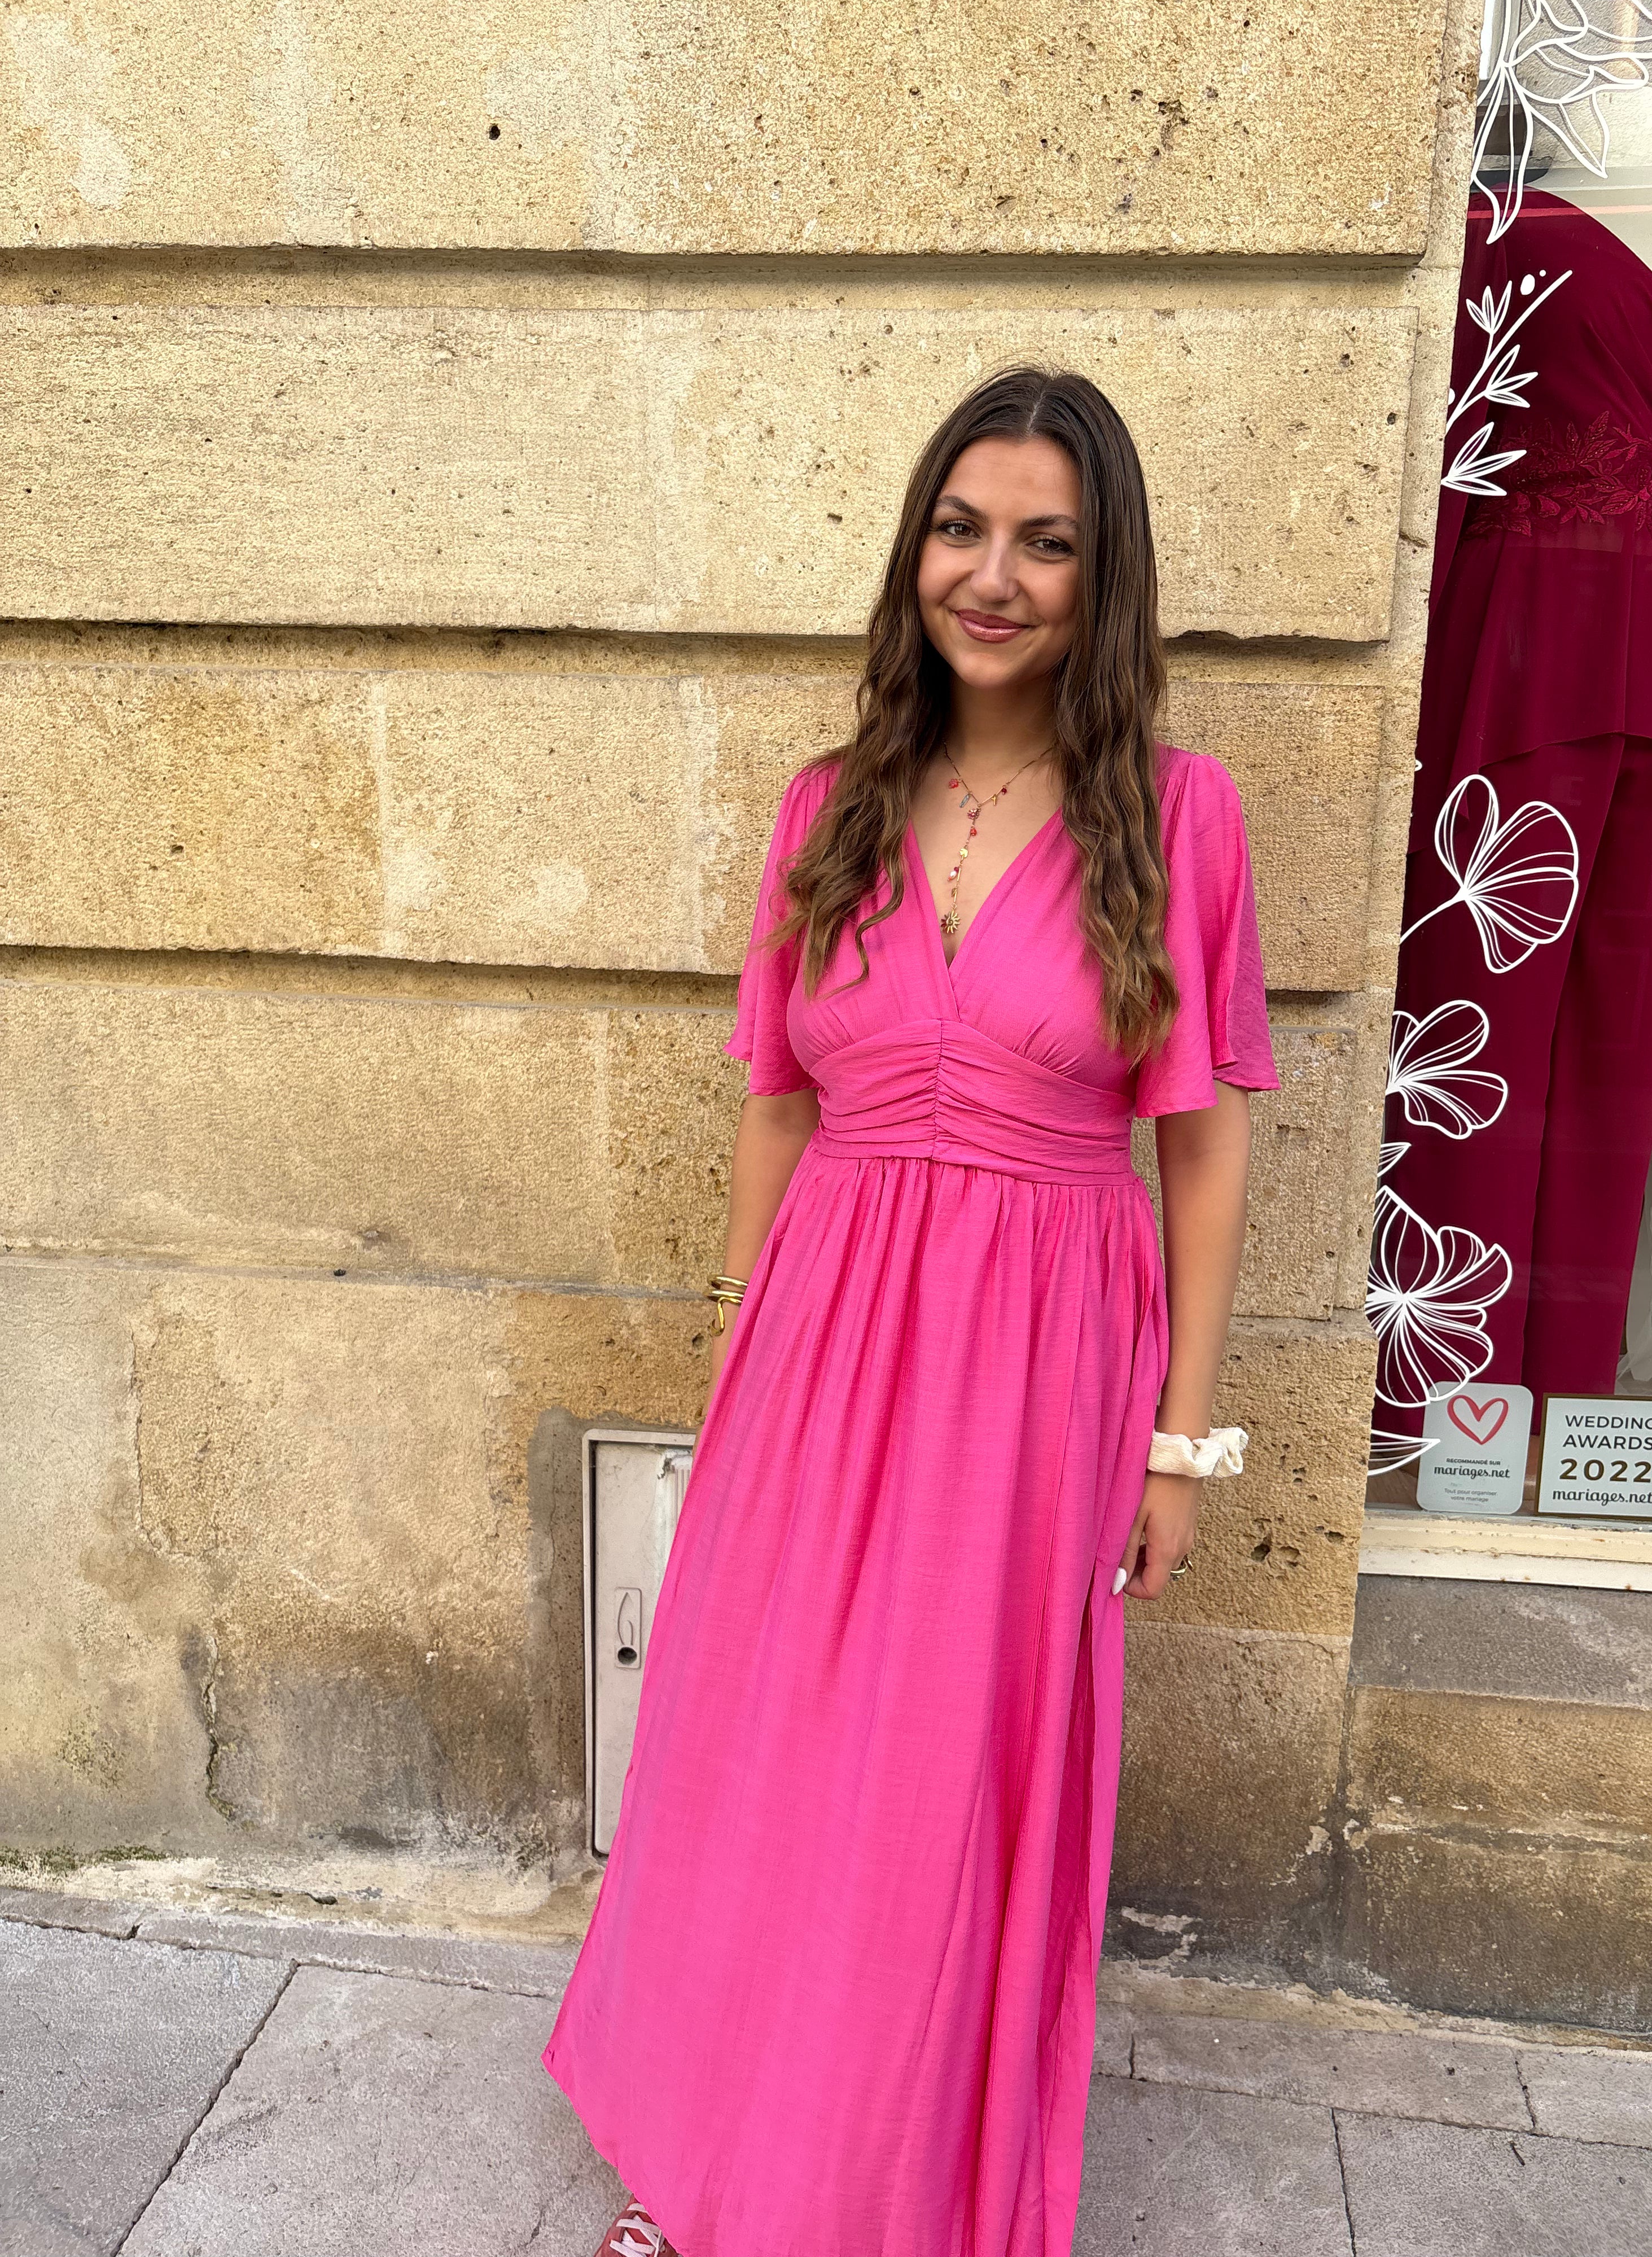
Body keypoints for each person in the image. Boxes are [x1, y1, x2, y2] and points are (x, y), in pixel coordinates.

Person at [543, 366, 1278, 2257]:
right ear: (916, 552)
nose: (994, 576)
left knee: (940, 1788)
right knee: (759, 1748)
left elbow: (1201, 1150)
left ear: (1103, 577)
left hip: (1039, 1363)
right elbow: (777, 1105)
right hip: (820, 1341)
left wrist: (1179, 1445)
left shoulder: (1178, 816)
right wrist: (737, 1358)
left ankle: (872, 2188)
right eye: (962, 529)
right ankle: (703, 2164)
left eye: (1046, 542)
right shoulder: (832, 806)